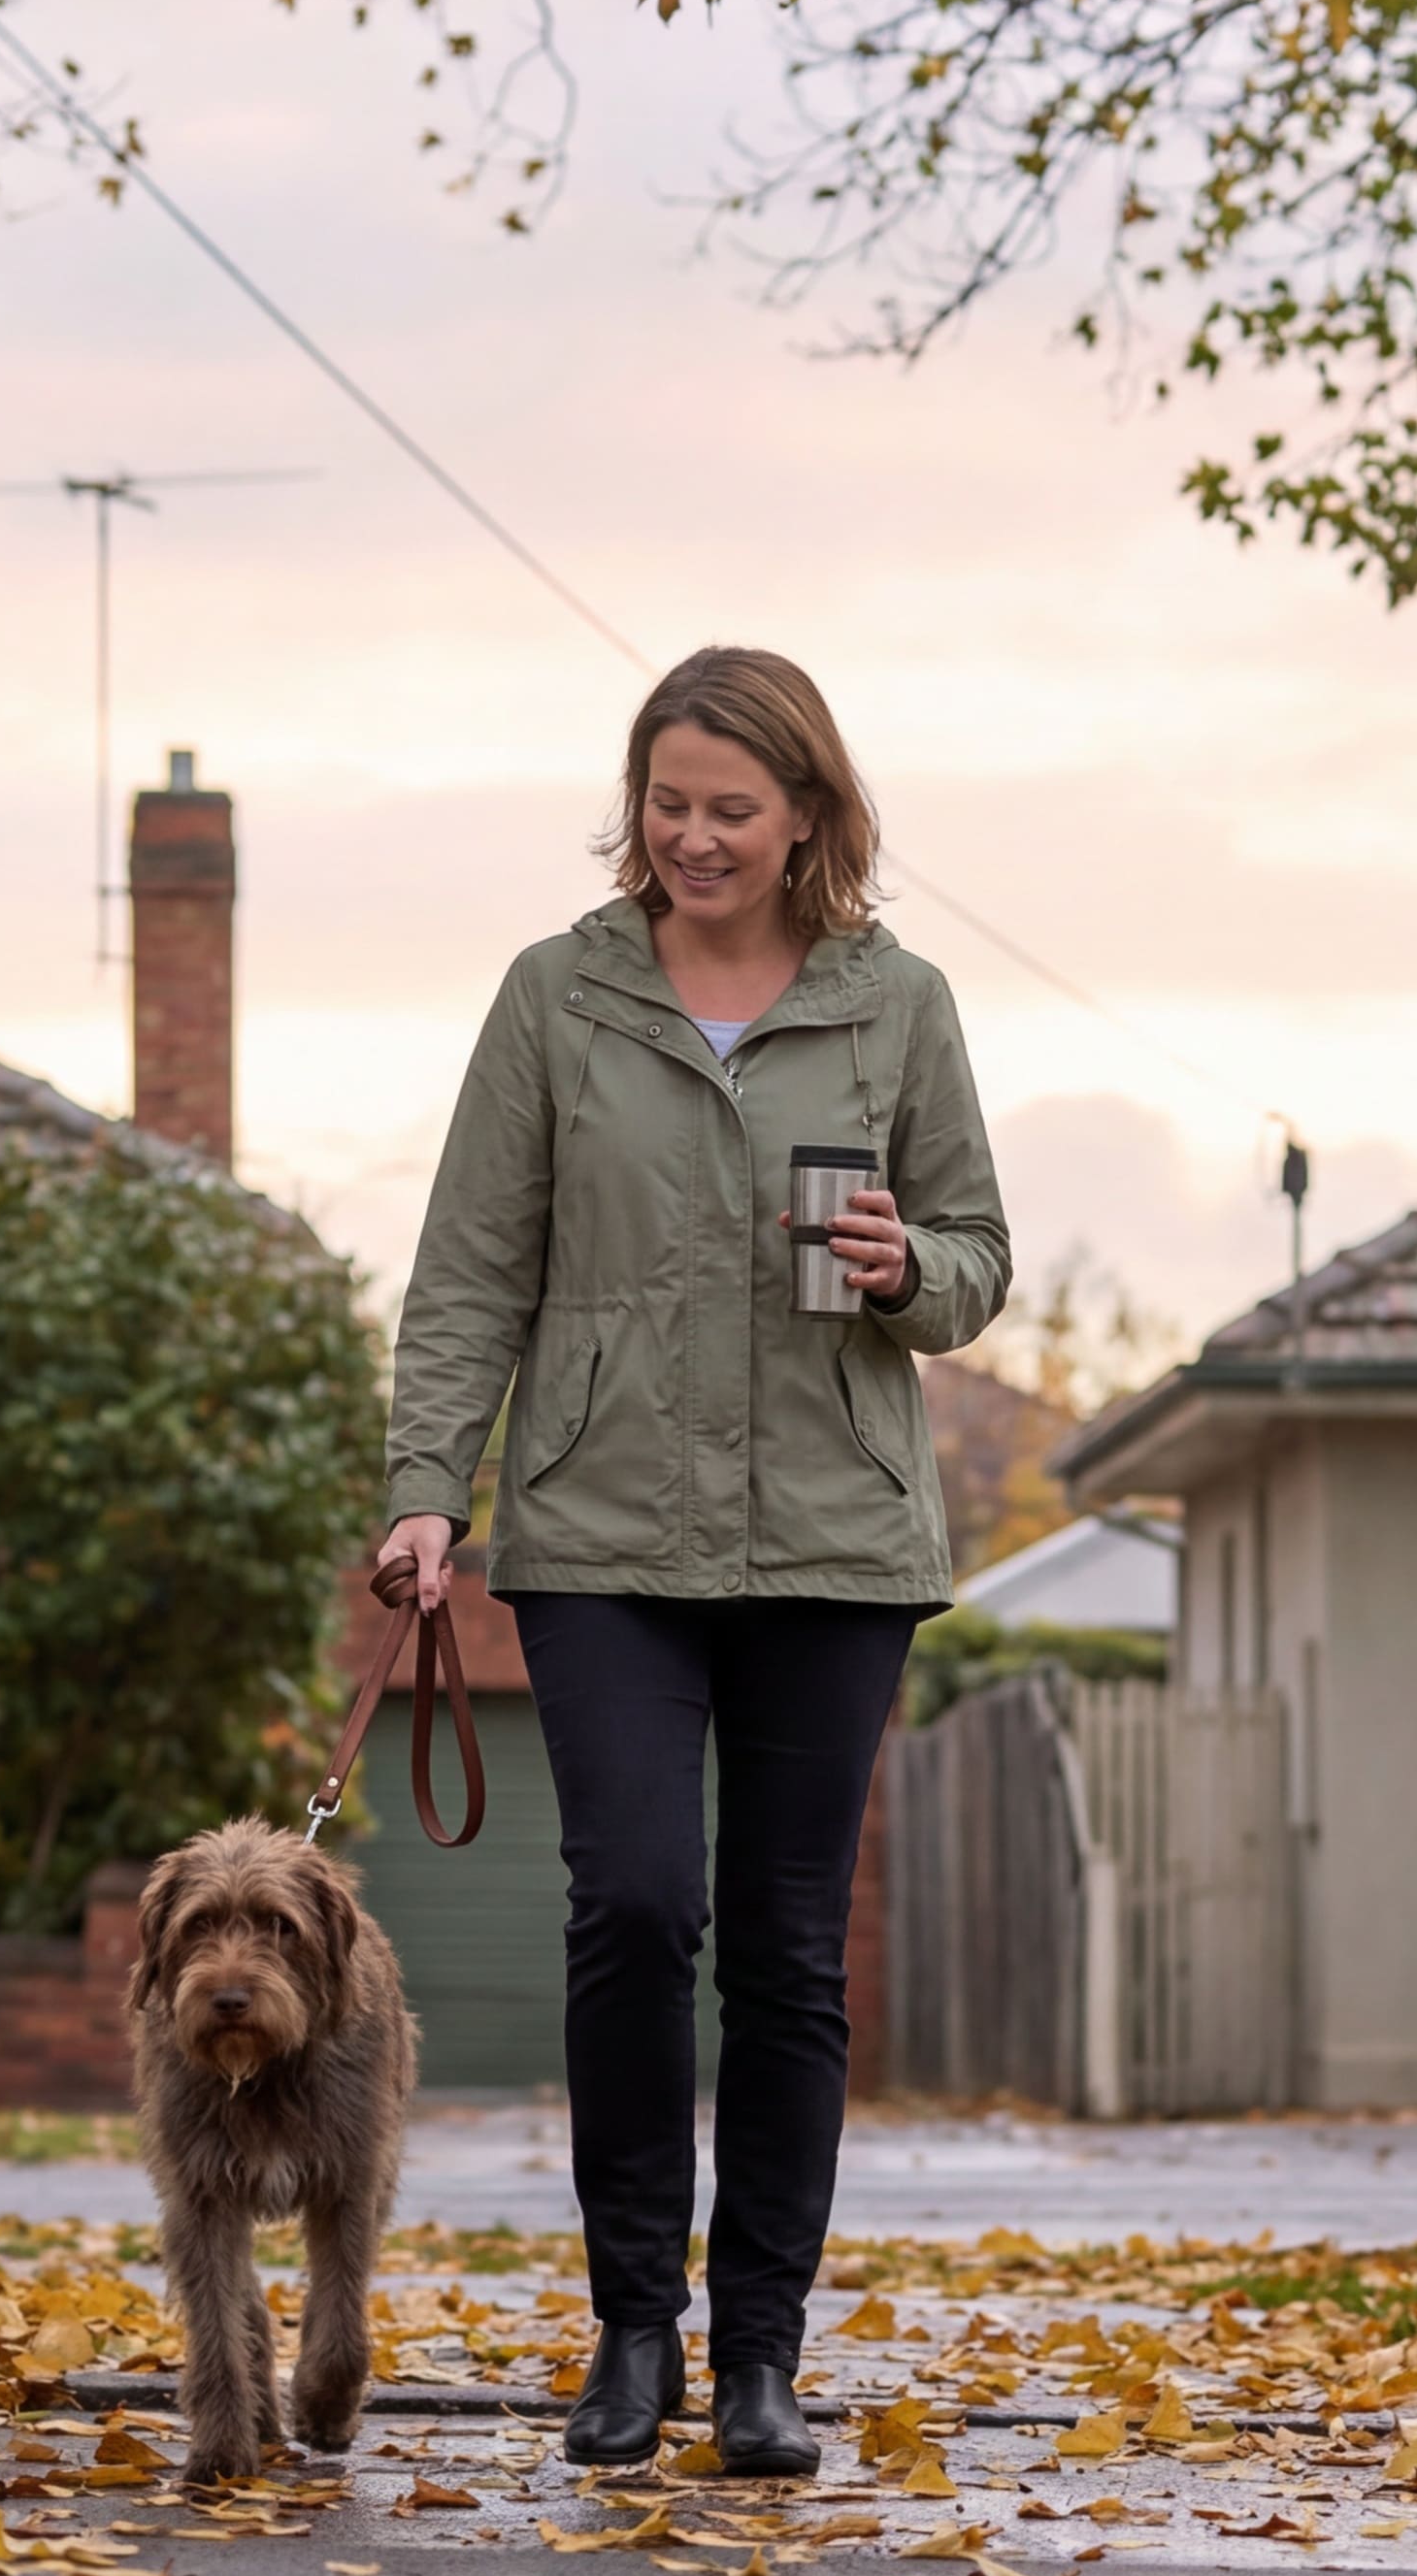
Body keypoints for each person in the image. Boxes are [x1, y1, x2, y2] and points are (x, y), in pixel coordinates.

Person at [372, 645, 1009, 2478]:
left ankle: (761, 2358)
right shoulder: (557, 998)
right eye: (670, 802)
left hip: (834, 1536)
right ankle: (631, 2335)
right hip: (603, 1531)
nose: (696, 836)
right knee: (637, 1907)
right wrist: (431, 1486)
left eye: (733, 808)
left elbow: (976, 1251)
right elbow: (473, 1267)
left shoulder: (902, 1005)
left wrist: (912, 1269)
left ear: (810, 813)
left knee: (790, 1956)